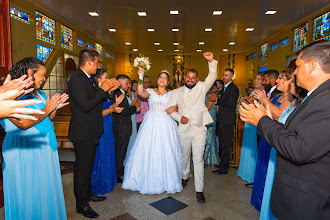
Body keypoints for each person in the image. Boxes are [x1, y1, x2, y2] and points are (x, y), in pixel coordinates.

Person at [239, 40, 330, 219]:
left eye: (297, 66)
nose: (294, 72)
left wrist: (262, 121)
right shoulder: (316, 96)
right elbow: (295, 133)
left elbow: (299, 148)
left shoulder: (326, 100)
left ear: (312, 65)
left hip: (308, 201)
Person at [1, 57, 69, 220]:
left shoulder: (40, 93)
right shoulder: (12, 94)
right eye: (43, 75)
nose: (44, 79)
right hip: (23, 147)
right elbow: (23, 123)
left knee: (44, 188)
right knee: (28, 189)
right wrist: (47, 108)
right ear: (31, 72)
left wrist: (55, 107)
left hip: (44, 146)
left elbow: (47, 117)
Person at [68, 49, 117, 218]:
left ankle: (88, 194)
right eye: (96, 62)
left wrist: (108, 90)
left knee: (88, 167)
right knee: (82, 170)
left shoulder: (88, 79)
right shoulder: (76, 80)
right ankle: (81, 205)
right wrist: (103, 89)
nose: (98, 66)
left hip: (91, 131)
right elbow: (86, 105)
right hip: (83, 132)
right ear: (89, 62)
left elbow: (97, 100)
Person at [166, 52, 217, 203]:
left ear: (196, 79)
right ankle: (184, 176)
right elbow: (169, 109)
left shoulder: (202, 87)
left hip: (199, 128)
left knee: (198, 159)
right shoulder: (177, 91)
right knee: (184, 156)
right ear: (185, 78)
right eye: (188, 77)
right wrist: (178, 117)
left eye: (193, 77)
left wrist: (211, 61)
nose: (190, 79)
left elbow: (212, 76)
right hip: (183, 129)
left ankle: (199, 190)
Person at [122, 69, 182, 194]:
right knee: (147, 148)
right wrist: (140, 75)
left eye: (165, 78)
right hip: (151, 123)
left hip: (166, 123)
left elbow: (176, 106)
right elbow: (139, 92)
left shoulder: (172, 93)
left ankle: (167, 180)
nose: (162, 79)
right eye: (161, 77)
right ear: (158, 79)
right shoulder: (150, 92)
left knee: (166, 149)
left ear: (168, 81)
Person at [90, 69, 124, 196]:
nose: (107, 79)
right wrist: (113, 110)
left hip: (108, 124)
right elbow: (98, 113)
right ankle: (99, 183)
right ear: (99, 80)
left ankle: (108, 180)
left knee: (109, 151)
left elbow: (107, 108)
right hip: (101, 125)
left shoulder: (105, 93)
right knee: (102, 152)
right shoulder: (96, 94)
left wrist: (116, 103)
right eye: (105, 77)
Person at [209, 68, 239, 175]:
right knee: (221, 143)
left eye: (227, 75)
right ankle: (222, 163)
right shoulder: (224, 88)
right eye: (224, 75)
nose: (224, 77)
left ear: (232, 77)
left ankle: (224, 168)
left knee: (226, 144)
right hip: (221, 119)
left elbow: (231, 103)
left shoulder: (233, 88)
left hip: (227, 121)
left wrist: (216, 100)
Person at [237, 73, 263, 183]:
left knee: (253, 146)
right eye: (255, 79)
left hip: (255, 121)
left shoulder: (262, 94)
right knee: (247, 145)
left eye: (258, 79)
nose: (256, 81)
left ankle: (251, 174)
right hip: (248, 121)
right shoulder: (253, 92)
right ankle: (245, 172)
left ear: (263, 81)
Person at [112, 74, 137, 184]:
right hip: (121, 128)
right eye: (127, 83)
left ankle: (119, 171)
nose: (129, 85)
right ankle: (118, 174)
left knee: (121, 151)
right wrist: (135, 108)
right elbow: (122, 111)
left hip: (123, 127)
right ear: (120, 82)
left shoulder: (121, 93)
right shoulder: (118, 94)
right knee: (120, 151)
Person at [124, 80, 140, 164]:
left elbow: (137, 107)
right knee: (128, 140)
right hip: (127, 118)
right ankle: (126, 161)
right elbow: (128, 108)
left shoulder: (133, 95)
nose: (129, 86)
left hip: (133, 118)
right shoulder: (124, 96)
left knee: (133, 138)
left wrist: (137, 98)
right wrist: (135, 101)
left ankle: (132, 161)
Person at [203, 82, 219, 164]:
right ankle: (210, 158)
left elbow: (207, 108)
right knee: (209, 138)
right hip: (209, 117)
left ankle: (209, 158)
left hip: (209, 118)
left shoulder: (211, 96)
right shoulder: (209, 94)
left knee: (209, 138)